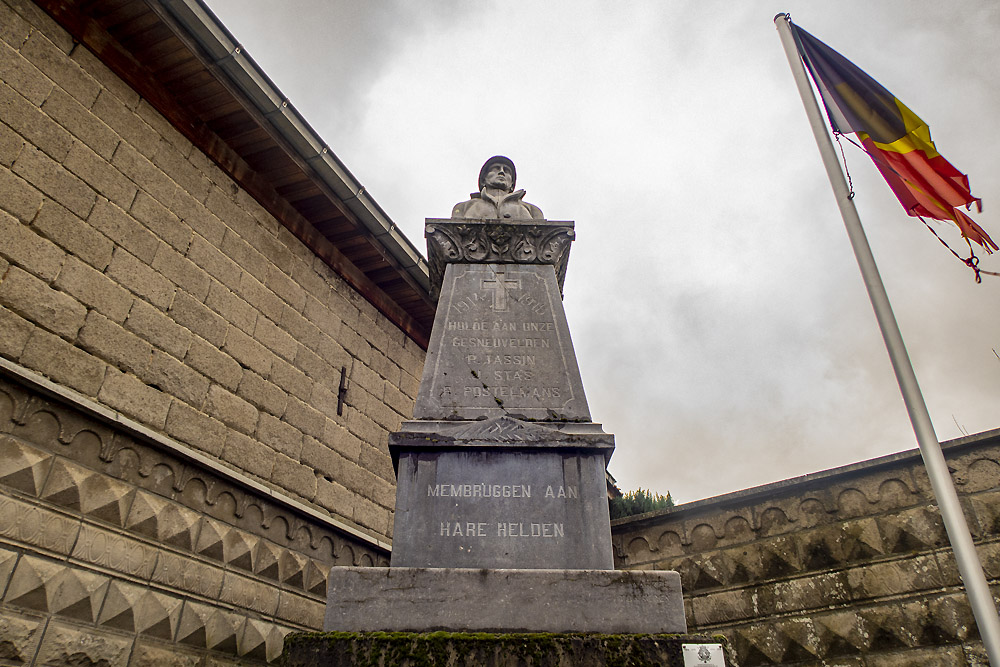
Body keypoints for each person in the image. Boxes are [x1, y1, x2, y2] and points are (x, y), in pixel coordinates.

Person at [452, 156, 544, 220]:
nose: (501, 172)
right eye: (495, 168)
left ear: (512, 184)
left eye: (506, 170)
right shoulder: (463, 207)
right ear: (483, 180)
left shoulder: (532, 210)